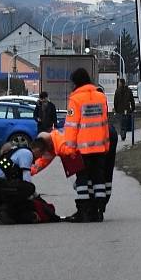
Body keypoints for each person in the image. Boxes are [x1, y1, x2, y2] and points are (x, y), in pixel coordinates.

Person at [59, 68, 110, 223]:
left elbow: (71, 126)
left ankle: (83, 211)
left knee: (82, 179)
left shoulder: (76, 100)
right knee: (98, 178)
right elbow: (105, 123)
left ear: (76, 82)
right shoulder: (101, 97)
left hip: (83, 148)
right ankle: (99, 210)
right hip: (100, 147)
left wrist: (69, 148)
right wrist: (106, 145)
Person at [0, 139, 55, 224]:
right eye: (41, 154)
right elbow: (27, 181)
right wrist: (37, 199)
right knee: (28, 188)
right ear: (38, 149)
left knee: (17, 188)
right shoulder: (27, 153)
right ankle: (5, 210)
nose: (40, 158)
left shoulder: (15, 152)